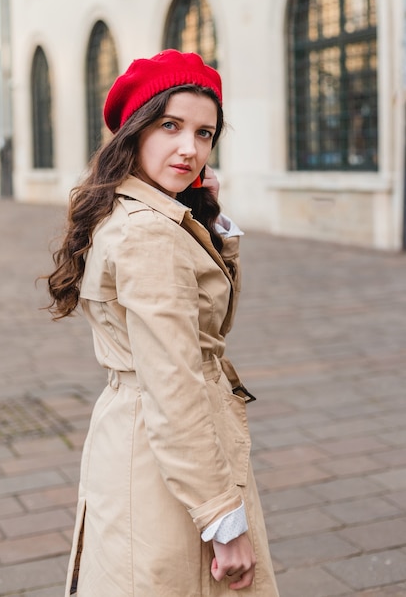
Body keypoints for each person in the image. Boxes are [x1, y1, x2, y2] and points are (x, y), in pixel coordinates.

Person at [46, 49, 279, 597]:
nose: (189, 148)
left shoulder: (139, 212)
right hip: (171, 454)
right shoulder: (150, 232)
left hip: (142, 441)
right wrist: (223, 520)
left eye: (205, 133)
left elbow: (204, 331)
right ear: (135, 130)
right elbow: (175, 382)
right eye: (171, 125)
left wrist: (209, 220)